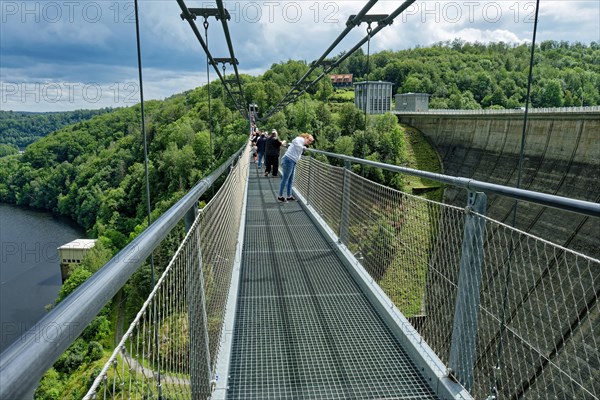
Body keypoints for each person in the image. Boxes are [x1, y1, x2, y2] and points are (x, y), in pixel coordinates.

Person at [278, 133, 314, 202]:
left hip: (292, 161)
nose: (309, 142)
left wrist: (302, 147)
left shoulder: (302, 143)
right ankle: (280, 196)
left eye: (311, 141)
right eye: (309, 140)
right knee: (285, 179)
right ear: (306, 137)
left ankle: (289, 196)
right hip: (288, 160)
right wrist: (302, 147)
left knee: (291, 179)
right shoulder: (299, 139)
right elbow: (294, 141)